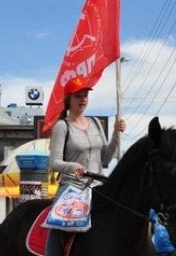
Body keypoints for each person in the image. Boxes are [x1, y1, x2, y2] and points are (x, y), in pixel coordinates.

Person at [45, 76, 126, 256]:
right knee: (58, 223)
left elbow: (105, 158)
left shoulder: (96, 123)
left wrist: (115, 134)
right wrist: (72, 166)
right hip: (72, 187)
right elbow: (54, 162)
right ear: (68, 100)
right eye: (78, 96)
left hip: (97, 187)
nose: (82, 99)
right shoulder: (62, 126)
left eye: (85, 96)